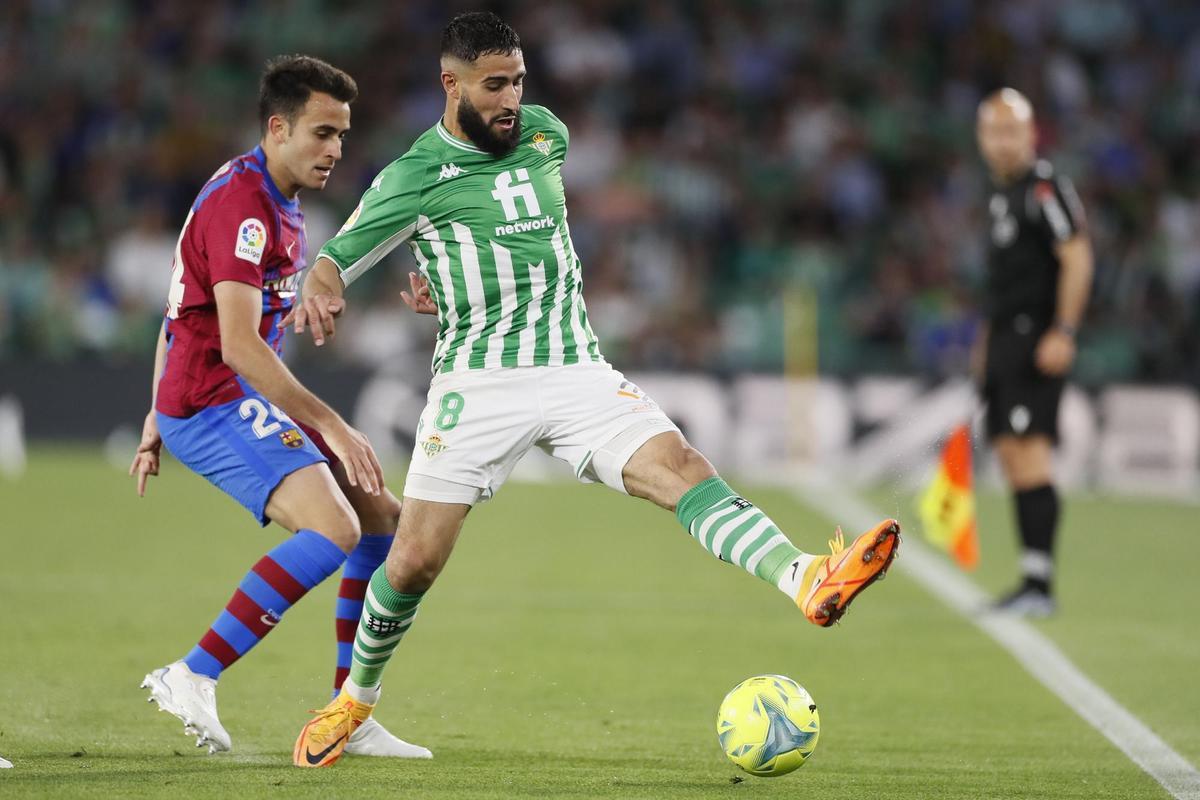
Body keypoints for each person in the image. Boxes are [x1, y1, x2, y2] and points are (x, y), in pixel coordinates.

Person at [287, 12, 900, 768]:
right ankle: (355, 700)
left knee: (682, 469)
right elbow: (335, 258)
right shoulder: (413, 177)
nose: (513, 98)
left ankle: (807, 578)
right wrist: (324, 290)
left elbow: (525, 244)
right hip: (479, 385)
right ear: (451, 86)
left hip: (576, 368)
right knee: (413, 563)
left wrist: (451, 283)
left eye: (518, 80)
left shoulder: (548, 134)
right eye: (494, 85)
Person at [128, 55, 429, 759]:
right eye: (323, 133)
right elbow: (234, 346)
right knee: (333, 531)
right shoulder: (244, 206)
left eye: (343, 136)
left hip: (224, 396)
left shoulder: (272, 197)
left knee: (380, 514)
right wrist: (330, 419)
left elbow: (182, 309)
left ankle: (345, 714)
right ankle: (191, 672)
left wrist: (148, 414)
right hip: (213, 402)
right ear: (278, 127)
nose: (335, 150)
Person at [973, 88, 1093, 617]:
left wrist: (1063, 330)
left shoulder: (1044, 187)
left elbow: (1078, 257)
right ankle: (1031, 580)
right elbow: (1003, 283)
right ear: (981, 138)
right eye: (993, 132)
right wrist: (986, 344)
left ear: (1030, 134)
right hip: (1006, 339)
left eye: (1012, 131)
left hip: (1035, 338)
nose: (1002, 143)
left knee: (1031, 452)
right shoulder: (1001, 195)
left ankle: (1040, 586)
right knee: (1010, 454)